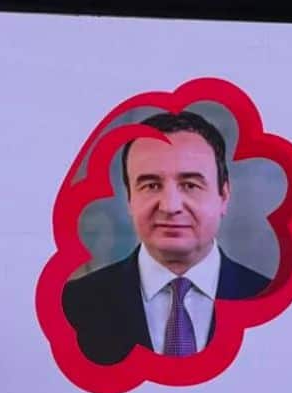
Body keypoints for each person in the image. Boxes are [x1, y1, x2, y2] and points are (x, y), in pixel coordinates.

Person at [62, 111, 270, 365]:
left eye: (190, 185)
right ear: (129, 199)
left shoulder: (269, 299)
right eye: (151, 186)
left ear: (223, 196)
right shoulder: (74, 304)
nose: (170, 206)